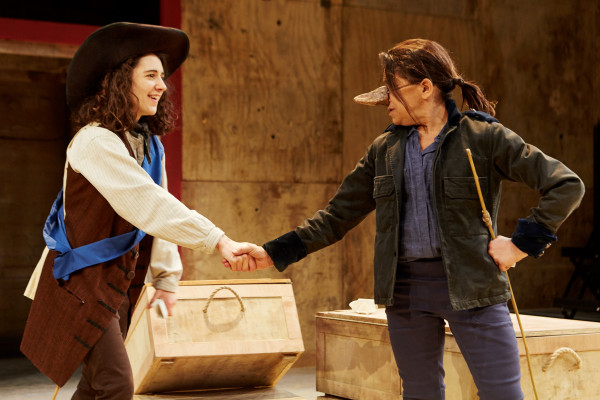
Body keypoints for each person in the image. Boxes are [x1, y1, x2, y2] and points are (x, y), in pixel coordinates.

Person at [225, 39, 585, 399]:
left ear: (425, 88)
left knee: (502, 394)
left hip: (474, 286)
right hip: (406, 291)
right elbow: (335, 216)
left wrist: (520, 244)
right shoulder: (385, 150)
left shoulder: (483, 137)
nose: (386, 102)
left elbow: (566, 185)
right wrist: (272, 253)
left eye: (393, 91)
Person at [21, 22, 252, 399]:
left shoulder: (148, 145)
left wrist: (164, 280)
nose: (162, 85)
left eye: (162, 76)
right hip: (81, 282)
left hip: (116, 285)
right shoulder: (94, 141)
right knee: (116, 386)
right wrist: (217, 240)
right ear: (119, 81)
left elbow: (154, 216)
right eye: (150, 75)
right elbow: (149, 205)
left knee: (95, 387)